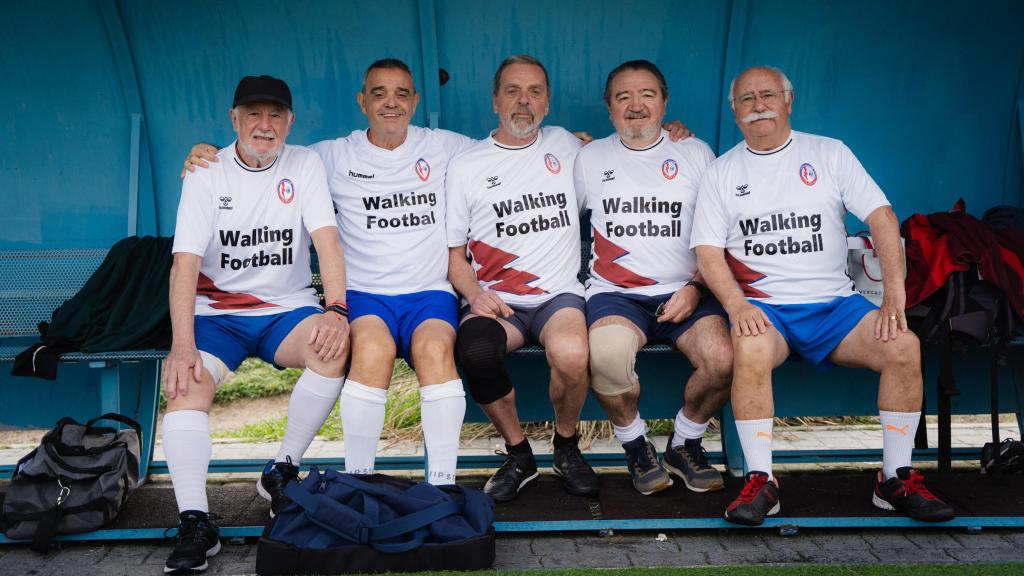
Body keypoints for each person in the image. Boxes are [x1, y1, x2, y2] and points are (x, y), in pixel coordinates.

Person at [182, 59, 473, 492]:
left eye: (401, 94)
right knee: (370, 350)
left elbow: (503, 152)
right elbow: (265, 152)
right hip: (366, 295)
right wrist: (205, 151)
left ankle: (443, 486)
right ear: (362, 101)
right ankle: (358, 483)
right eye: (378, 93)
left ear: (414, 101)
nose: (390, 103)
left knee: (435, 349)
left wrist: (572, 146)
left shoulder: (447, 147)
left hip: (429, 292)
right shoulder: (330, 155)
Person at [690, 65, 955, 525]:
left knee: (904, 346)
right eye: (747, 99)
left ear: (788, 100)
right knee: (748, 346)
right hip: (769, 310)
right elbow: (707, 252)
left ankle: (894, 479)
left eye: (767, 95)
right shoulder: (721, 171)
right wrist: (737, 306)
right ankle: (761, 481)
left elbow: (883, 218)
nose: (758, 106)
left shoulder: (828, 153)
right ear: (734, 111)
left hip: (835, 307)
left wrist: (895, 297)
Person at [163, 75, 349, 574]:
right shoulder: (206, 171)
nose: (264, 126)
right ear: (234, 119)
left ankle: (281, 469)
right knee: (185, 387)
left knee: (332, 348)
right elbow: (184, 265)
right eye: (253, 115)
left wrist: (336, 309)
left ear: (290, 121)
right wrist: (181, 345)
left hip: (284, 312)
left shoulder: (305, 162)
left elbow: (327, 241)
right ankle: (194, 522)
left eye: (274, 116)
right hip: (218, 317)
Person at [573, 60, 731, 496]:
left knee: (724, 359)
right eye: (623, 97)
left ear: (664, 104)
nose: (635, 105)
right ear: (609, 110)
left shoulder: (695, 152)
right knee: (605, 357)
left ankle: (685, 443)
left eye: (647, 95)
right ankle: (636, 444)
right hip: (617, 295)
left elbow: (720, 233)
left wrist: (697, 287)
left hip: (687, 291)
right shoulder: (588, 159)